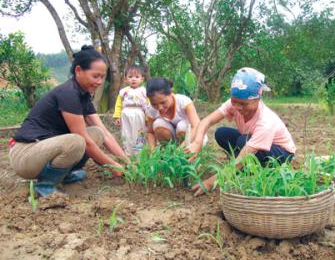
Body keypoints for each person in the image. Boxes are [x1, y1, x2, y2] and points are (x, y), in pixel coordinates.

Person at [8, 45, 127, 197]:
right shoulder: (68, 93)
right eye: (95, 76)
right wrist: (112, 165)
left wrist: (126, 162)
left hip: (43, 149)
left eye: (102, 77)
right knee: (77, 141)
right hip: (25, 154)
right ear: (78, 71)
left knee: (97, 133)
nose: (99, 81)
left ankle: (64, 175)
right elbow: (83, 140)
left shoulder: (83, 96)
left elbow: (104, 132)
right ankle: (45, 186)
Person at [186, 67, 296, 196]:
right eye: (234, 101)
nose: (238, 107)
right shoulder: (234, 104)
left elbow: (242, 159)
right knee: (221, 133)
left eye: (244, 104)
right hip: (252, 142)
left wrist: (210, 183)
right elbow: (207, 120)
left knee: (243, 143)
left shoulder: (266, 121)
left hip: (281, 153)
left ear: (258, 98)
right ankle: (244, 167)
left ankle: (253, 169)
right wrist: (197, 142)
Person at [145, 77, 206, 149]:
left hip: (195, 138)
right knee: (158, 124)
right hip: (175, 140)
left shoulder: (184, 101)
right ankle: (169, 151)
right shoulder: (152, 109)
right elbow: (150, 132)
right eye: (154, 104)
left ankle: (185, 152)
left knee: (182, 126)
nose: (160, 107)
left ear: (171, 93)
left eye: (163, 102)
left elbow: (196, 126)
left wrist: (180, 150)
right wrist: (153, 151)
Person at [113, 65, 148, 155]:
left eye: (137, 77)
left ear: (142, 79)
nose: (133, 79)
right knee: (126, 133)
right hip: (125, 114)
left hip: (139, 113)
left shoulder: (144, 91)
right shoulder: (123, 91)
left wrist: (148, 118)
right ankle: (128, 153)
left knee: (139, 133)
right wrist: (117, 117)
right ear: (126, 79)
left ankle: (139, 154)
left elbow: (148, 105)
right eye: (130, 77)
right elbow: (118, 105)